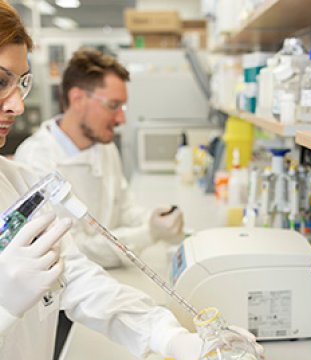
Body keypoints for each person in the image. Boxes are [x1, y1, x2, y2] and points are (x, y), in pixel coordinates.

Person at [0, 2, 210, 360]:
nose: (17, 105)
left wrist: (169, 336)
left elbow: (77, 275)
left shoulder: (19, 182)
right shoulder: (37, 161)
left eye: (21, 84)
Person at [15, 47, 184, 269]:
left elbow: (123, 208)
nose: (122, 118)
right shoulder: (35, 161)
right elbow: (73, 252)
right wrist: (148, 233)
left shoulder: (104, 147)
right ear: (77, 99)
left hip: (110, 278)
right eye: (113, 106)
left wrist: (155, 220)